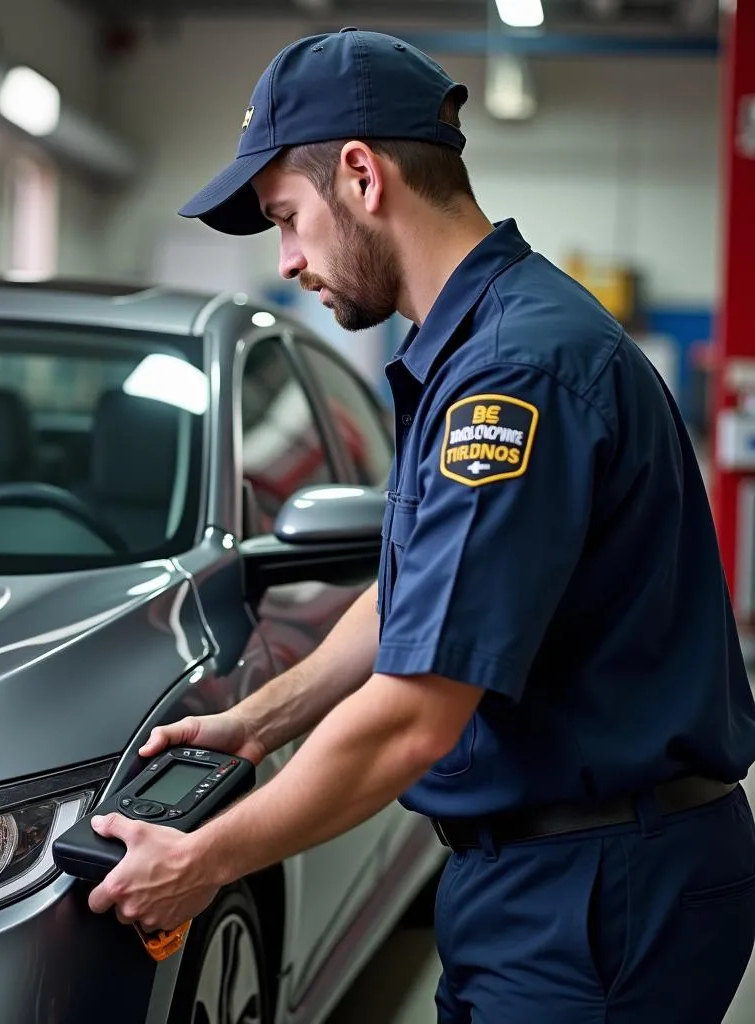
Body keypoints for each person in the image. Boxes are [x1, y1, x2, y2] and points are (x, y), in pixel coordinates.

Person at [87, 26, 755, 1022]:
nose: (288, 260)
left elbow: (414, 713)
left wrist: (202, 857)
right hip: (548, 875)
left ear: (359, 174)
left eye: (286, 218)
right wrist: (254, 723)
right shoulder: (472, 347)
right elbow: (419, 599)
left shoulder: (513, 375)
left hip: (596, 891)